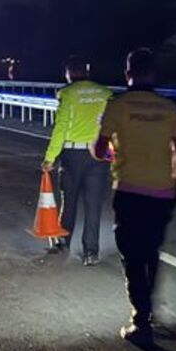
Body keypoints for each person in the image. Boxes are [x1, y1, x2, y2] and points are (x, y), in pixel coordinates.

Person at [92, 48, 176, 345]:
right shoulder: (169, 108)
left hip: (130, 190)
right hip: (162, 191)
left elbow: (98, 150)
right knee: (151, 251)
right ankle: (149, 310)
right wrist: (175, 181)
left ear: (127, 73)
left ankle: (140, 320)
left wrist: (109, 151)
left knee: (132, 256)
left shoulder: (117, 106)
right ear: (153, 73)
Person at [42, 56, 113, 264]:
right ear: (87, 71)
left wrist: (50, 158)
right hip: (99, 155)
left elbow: (61, 129)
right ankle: (91, 252)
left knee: (69, 201)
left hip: (73, 155)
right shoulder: (105, 93)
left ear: (68, 73)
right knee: (93, 205)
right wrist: (111, 157)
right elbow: (111, 128)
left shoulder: (67, 94)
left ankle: (63, 243)